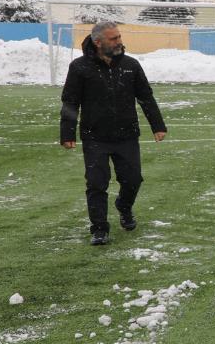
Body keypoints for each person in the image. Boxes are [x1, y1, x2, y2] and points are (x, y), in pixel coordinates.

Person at [60, 20, 168, 246]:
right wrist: (67, 134)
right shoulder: (79, 67)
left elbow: (145, 97)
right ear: (98, 42)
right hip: (95, 137)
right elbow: (70, 102)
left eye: (119, 37)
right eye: (113, 38)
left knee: (133, 180)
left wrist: (158, 126)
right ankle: (99, 229)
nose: (119, 41)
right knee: (96, 183)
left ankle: (124, 206)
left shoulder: (131, 65)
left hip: (127, 135)